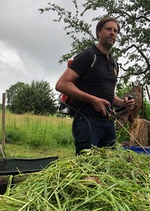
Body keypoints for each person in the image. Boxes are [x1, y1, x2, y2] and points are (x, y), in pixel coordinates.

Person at [55, 17, 135, 155]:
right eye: (108, 29)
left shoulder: (114, 64)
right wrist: (93, 100)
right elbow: (62, 84)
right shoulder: (88, 56)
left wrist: (123, 103)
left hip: (108, 123)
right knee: (87, 167)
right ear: (98, 32)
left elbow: (107, 96)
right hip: (87, 121)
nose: (112, 33)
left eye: (115, 31)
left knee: (108, 167)